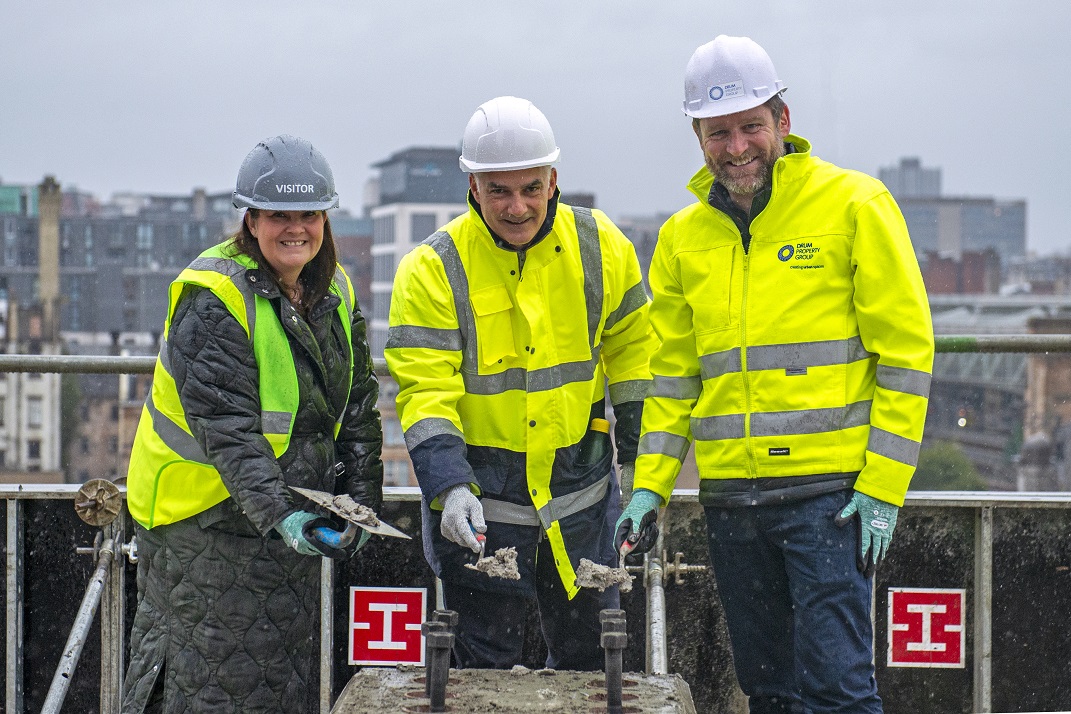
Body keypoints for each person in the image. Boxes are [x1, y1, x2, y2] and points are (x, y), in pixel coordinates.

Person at [616, 36, 934, 713]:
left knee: (838, 691)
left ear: (782, 122)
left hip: (828, 500)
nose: (736, 147)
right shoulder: (680, 238)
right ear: (697, 136)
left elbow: (905, 355)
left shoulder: (854, 205)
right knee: (767, 692)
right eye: (718, 132)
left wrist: (881, 485)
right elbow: (672, 379)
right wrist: (649, 489)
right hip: (731, 502)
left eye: (750, 126)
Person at [385, 96, 657, 670]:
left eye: (531, 188)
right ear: (473, 186)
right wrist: (450, 486)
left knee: (592, 672)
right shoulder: (433, 268)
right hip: (483, 511)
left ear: (554, 179)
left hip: (579, 508)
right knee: (481, 679)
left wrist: (639, 466)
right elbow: (425, 391)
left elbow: (636, 358)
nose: (517, 207)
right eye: (499, 190)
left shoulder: (602, 247)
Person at [121, 134, 384, 713]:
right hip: (201, 524)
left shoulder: (333, 288)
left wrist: (363, 502)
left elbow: (358, 406)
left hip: (272, 524)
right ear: (251, 219)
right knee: (203, 684)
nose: (297, 229)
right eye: (279, 215)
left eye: (310, 214)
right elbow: (230, 431)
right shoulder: (214, 297)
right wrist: (285, 516)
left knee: (275, 682)